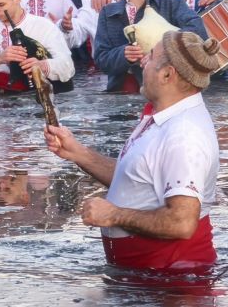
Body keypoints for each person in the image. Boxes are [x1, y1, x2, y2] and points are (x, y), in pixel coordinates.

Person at [44, 29, 219, 272]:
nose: (142, 62)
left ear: (167, 74)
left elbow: (182, 223)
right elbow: (138, 178)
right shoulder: (166, 116)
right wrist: (77, 152)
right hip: (150, 274)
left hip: (173, 279)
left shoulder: (184, 135)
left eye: (150, 57)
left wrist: (114, 215)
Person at [92, 0, 205, 93]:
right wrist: (123, 54)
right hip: (121, 93)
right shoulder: (108, 12)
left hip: (167, 90)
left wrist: (162, 50)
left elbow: (197, 31)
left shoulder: (171, 1)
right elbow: (101, 59)